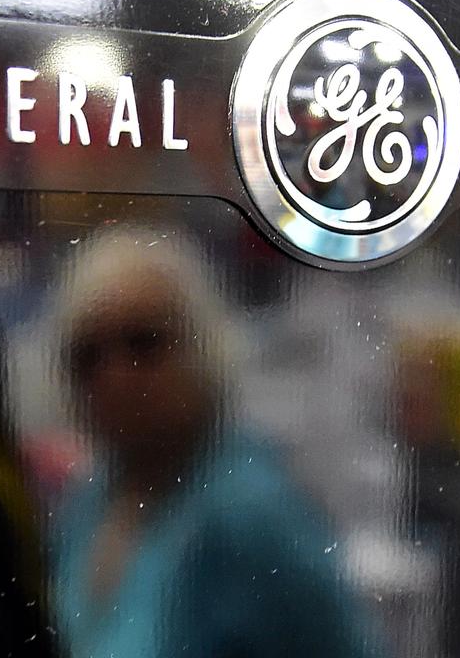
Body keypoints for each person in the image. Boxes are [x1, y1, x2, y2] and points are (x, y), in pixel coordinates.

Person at [48, 227, 380, 658]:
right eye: (88, 355)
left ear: (200, 344)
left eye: (143, 343)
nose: (115, 376)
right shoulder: (91, 500)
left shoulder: (250, 514)